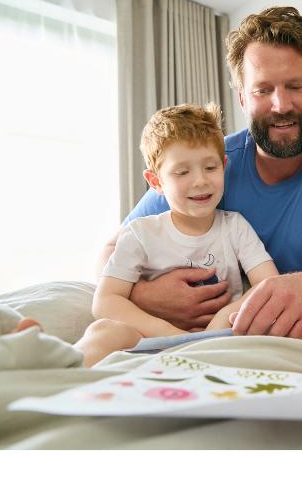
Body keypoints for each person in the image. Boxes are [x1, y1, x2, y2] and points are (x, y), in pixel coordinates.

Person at [97, 7, 302, 338]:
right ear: (242, 98)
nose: (281, 105)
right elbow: (110, 253)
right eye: (263, 90)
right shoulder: (208, 163)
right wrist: (146, 295)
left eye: (295, 86)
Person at [79, 103, 279, 367]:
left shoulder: (235, 227)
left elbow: (269, 283)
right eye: (182, 172)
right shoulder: (140, 234)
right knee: (105, 330)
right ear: (156, 182)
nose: (200, 181)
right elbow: (105, 301)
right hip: (152, 341)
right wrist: (170, 334)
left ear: (224, 165)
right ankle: (56, 379)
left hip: (222, 342)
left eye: (210, 168)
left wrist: (223, 318)